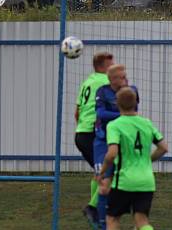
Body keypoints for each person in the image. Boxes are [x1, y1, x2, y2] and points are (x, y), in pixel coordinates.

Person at [98, 87, 167, 230]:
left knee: (112, 218)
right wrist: (148, 160)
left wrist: (103, 171)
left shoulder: (115, 125)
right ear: (136, 102)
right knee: (141, 221)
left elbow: (112, 153)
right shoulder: (146, 123)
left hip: (124, 181)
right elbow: (163, 148)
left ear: (117, 104)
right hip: (146, 181)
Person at [93, 64, 138, 229]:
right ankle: (102, 225)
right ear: (113, 80)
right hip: (103, 141)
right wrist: (121, 114)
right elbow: (100, 114)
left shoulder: (131, 91)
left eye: (126, 76)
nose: (126, 79)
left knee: (132, 184)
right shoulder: (102, 91)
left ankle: (138, 222)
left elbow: (134, 111)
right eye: (122, 77)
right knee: (104, 187)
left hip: (124, 140)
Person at [75, 51, 114, 227]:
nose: (113, 68)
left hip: (81, 133)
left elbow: (77, 112)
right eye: (111, 65)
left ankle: (96, 215)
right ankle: (93, 208)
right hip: (93, 134)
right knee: (110, 173)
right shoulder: (104, 82)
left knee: (100, 172)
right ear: (103, 67)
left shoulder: (87, 82)